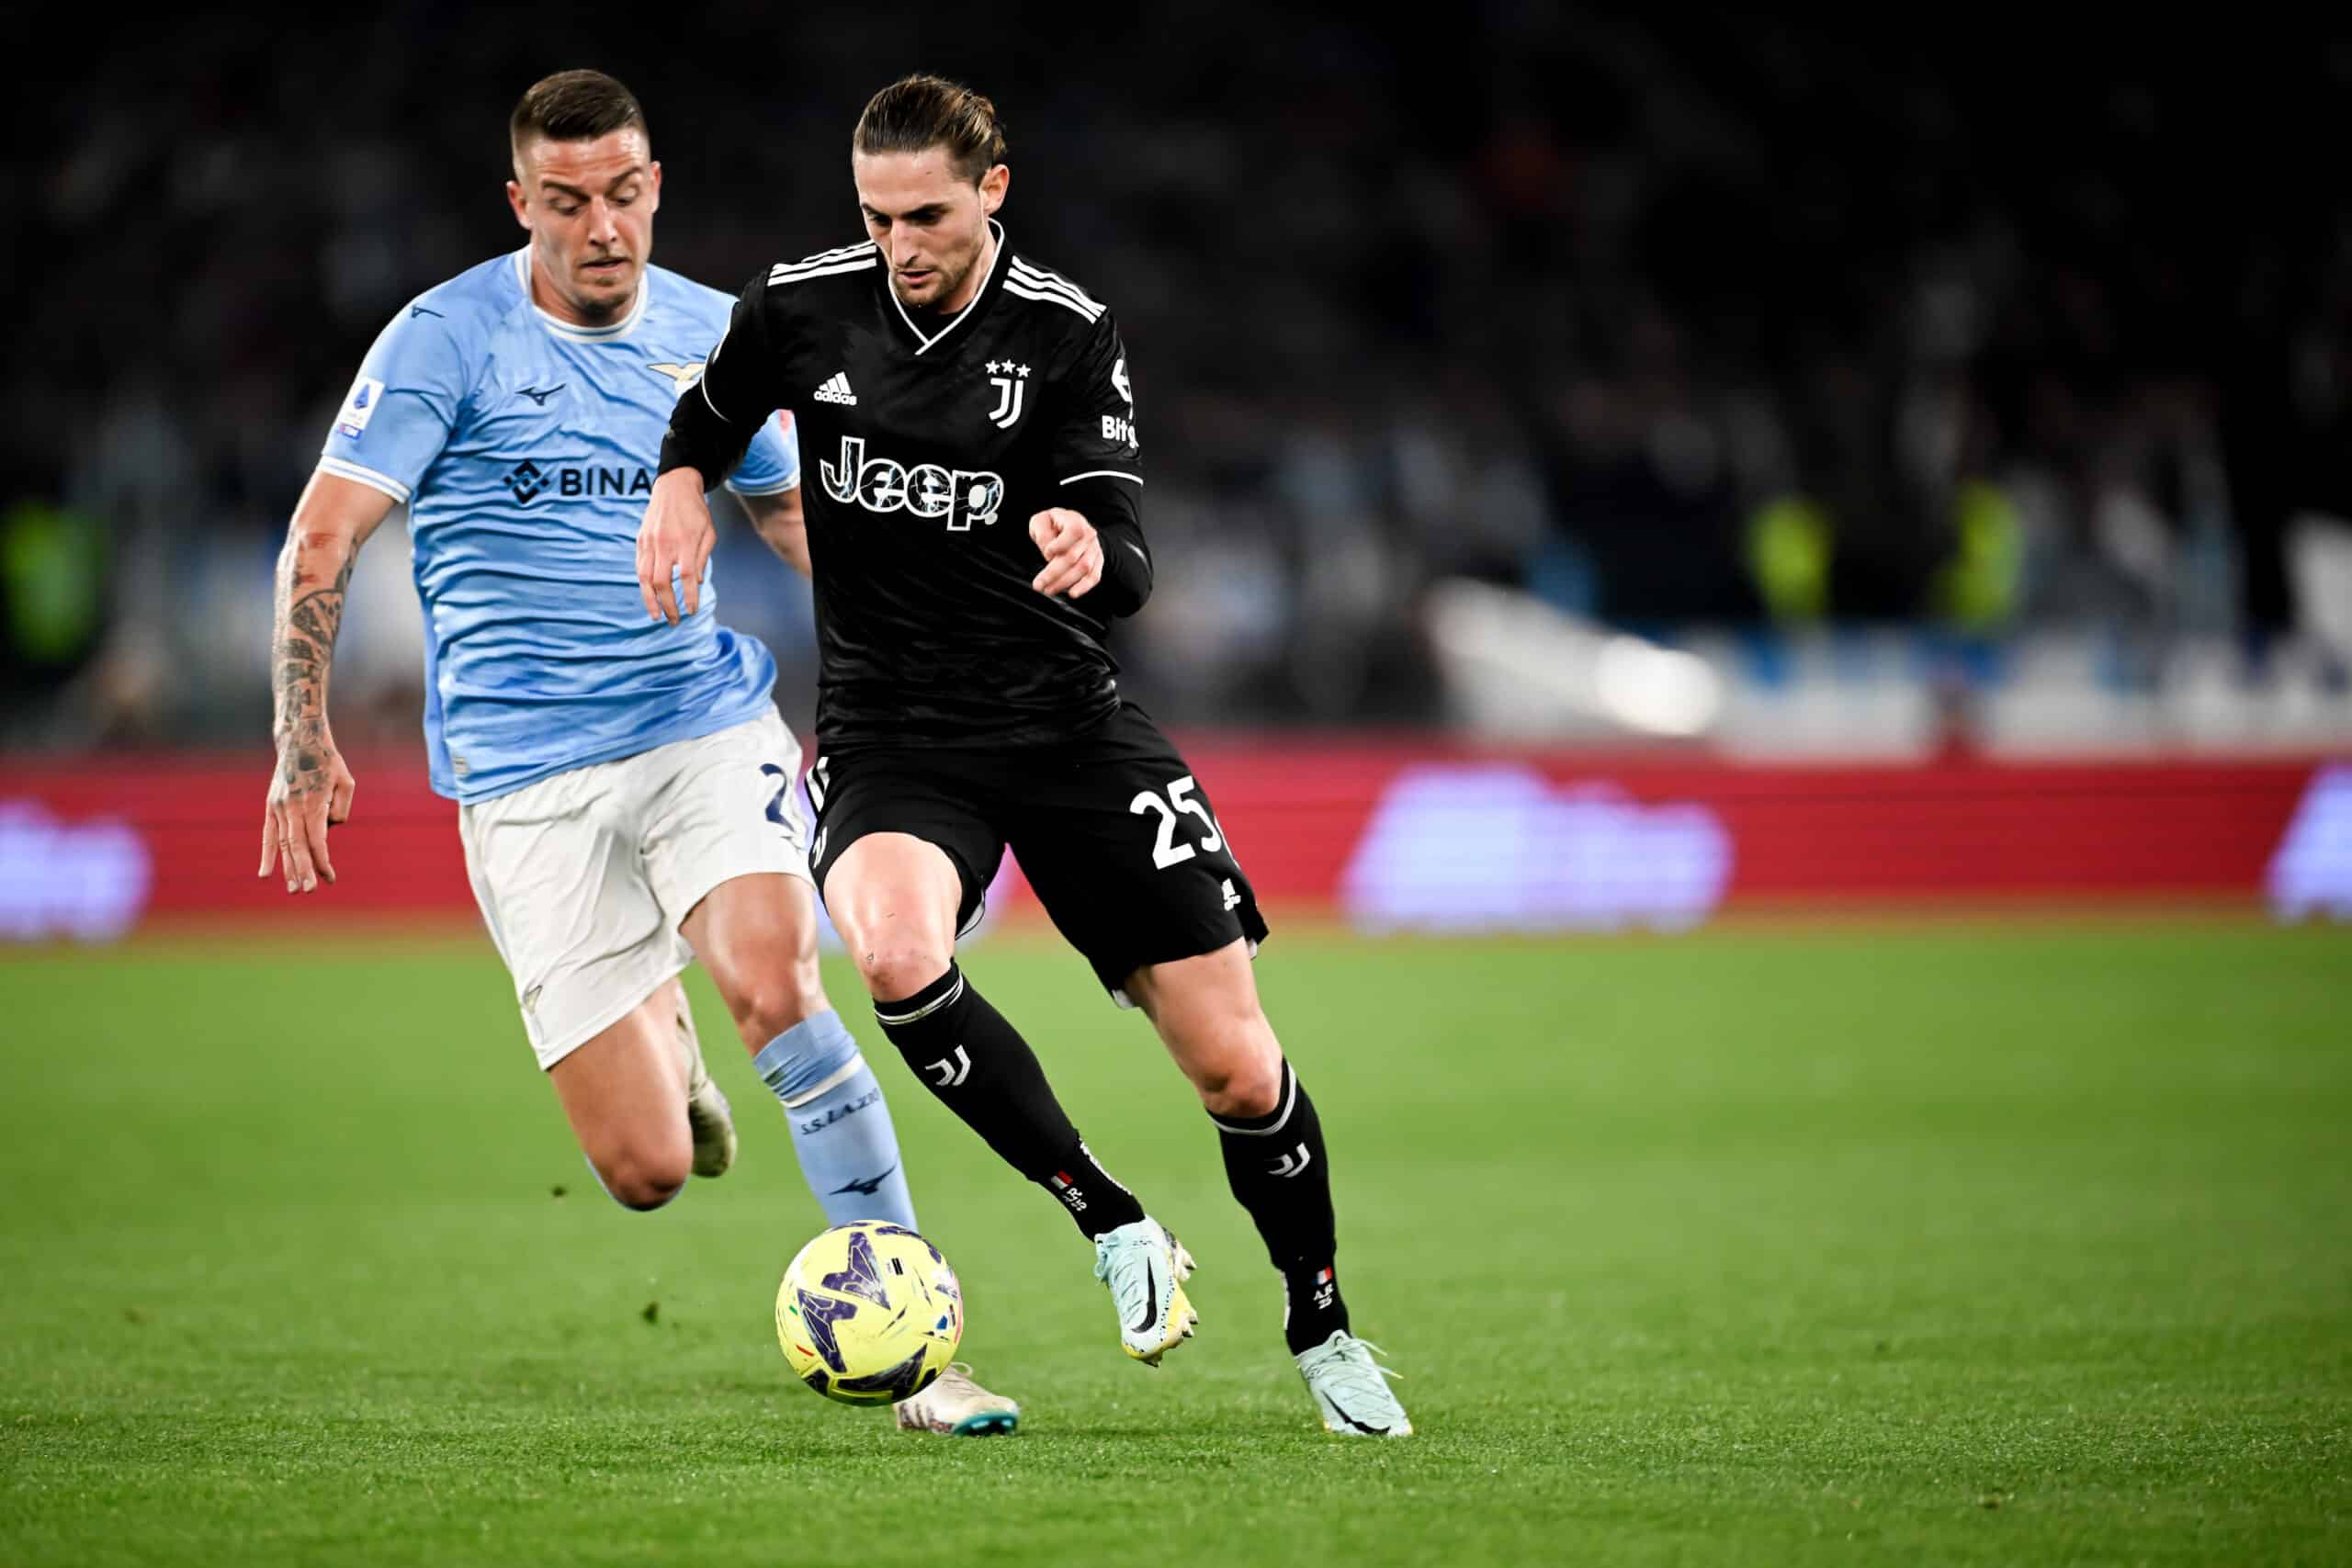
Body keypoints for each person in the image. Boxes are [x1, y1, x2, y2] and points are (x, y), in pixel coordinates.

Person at [638, 74, 1411, 1438]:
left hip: (1067, 728)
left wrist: (1089, 545)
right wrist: (678, 490)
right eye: (876, 217)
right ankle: (1112, 1221)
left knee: (1237, 1068)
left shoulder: (1064, 332)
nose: (898, 246)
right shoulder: (801, 306)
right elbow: (707, 416)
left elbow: (1131, 550)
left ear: (993, 192)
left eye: (926, 216)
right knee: (889, 951)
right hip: (893, 733)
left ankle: (1325, 1328)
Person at [255, 68, 1017, 1438]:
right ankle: (670, 1044)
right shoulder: (444, 340)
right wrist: (301, 736)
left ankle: (922, 1346)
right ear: (521, 203)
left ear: (655, 186)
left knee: (779, 982)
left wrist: (927, 666)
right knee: (649, 1168)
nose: (600, 227)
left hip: (698, 724)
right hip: (525, 783)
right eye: (566, 202)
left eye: (622, 193)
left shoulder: (717, 334)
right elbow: (323, 534)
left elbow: (795, 519)